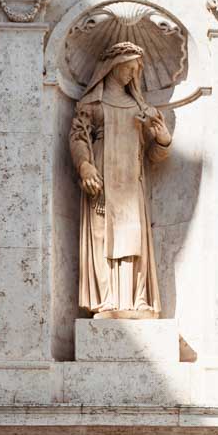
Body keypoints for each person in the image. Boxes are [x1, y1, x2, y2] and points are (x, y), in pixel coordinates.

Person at [69, 41, 172, 317]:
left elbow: (153, 155)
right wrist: (85, 167)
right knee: (104, 237)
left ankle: (137, 300)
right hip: (102, 180)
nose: (131, 74)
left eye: (135, 70)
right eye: (128, 68)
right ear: (113, 67)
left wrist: (162, 140)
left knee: (133, 238)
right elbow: (78, 136)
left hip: (131, 181)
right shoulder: (93, 104)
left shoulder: (143, 109)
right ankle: (108, 300)